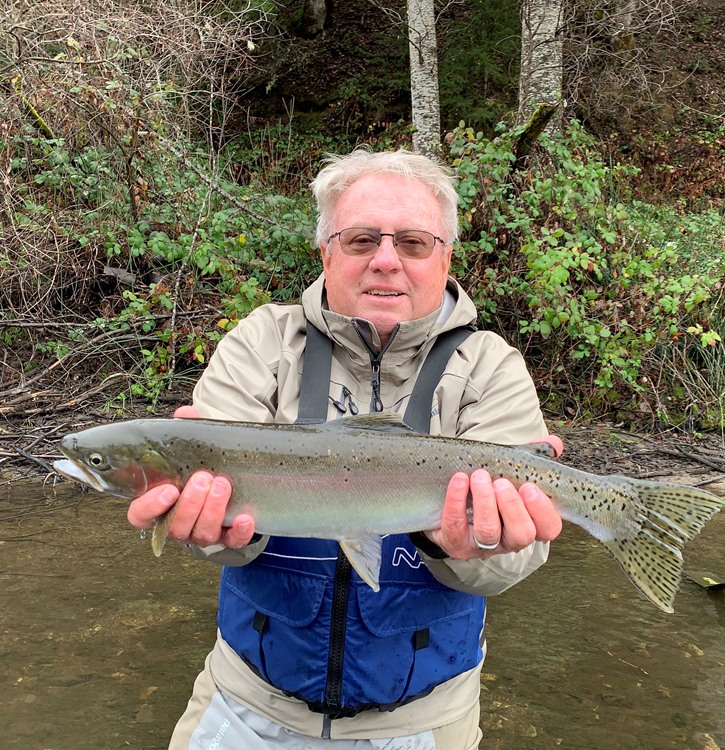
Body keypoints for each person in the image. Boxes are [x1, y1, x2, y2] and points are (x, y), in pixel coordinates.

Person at [127, 148, 564, 750]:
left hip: (425, 721)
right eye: (360, 241)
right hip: (246, 703)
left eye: (413, 242)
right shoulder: (264, 342)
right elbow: (213, 540)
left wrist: (467, 549)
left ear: (446, 256)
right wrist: (216, 536)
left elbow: (512, 564)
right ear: (326, 252)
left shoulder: (490, 366)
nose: (386, 261)